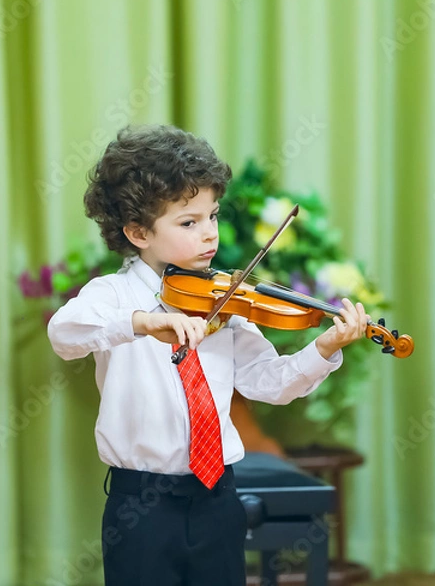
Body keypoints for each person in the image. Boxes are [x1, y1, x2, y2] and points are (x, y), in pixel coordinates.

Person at [47, 124, 368, 586]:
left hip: (219, 495)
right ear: (138, 231)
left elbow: (268, 384)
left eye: (212, 215)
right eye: (188, 222)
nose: (209, 235)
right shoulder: (112, 296)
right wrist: (141, 322)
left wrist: (324, 347)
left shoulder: (224, 299)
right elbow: (64, 334)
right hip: (142, 506)